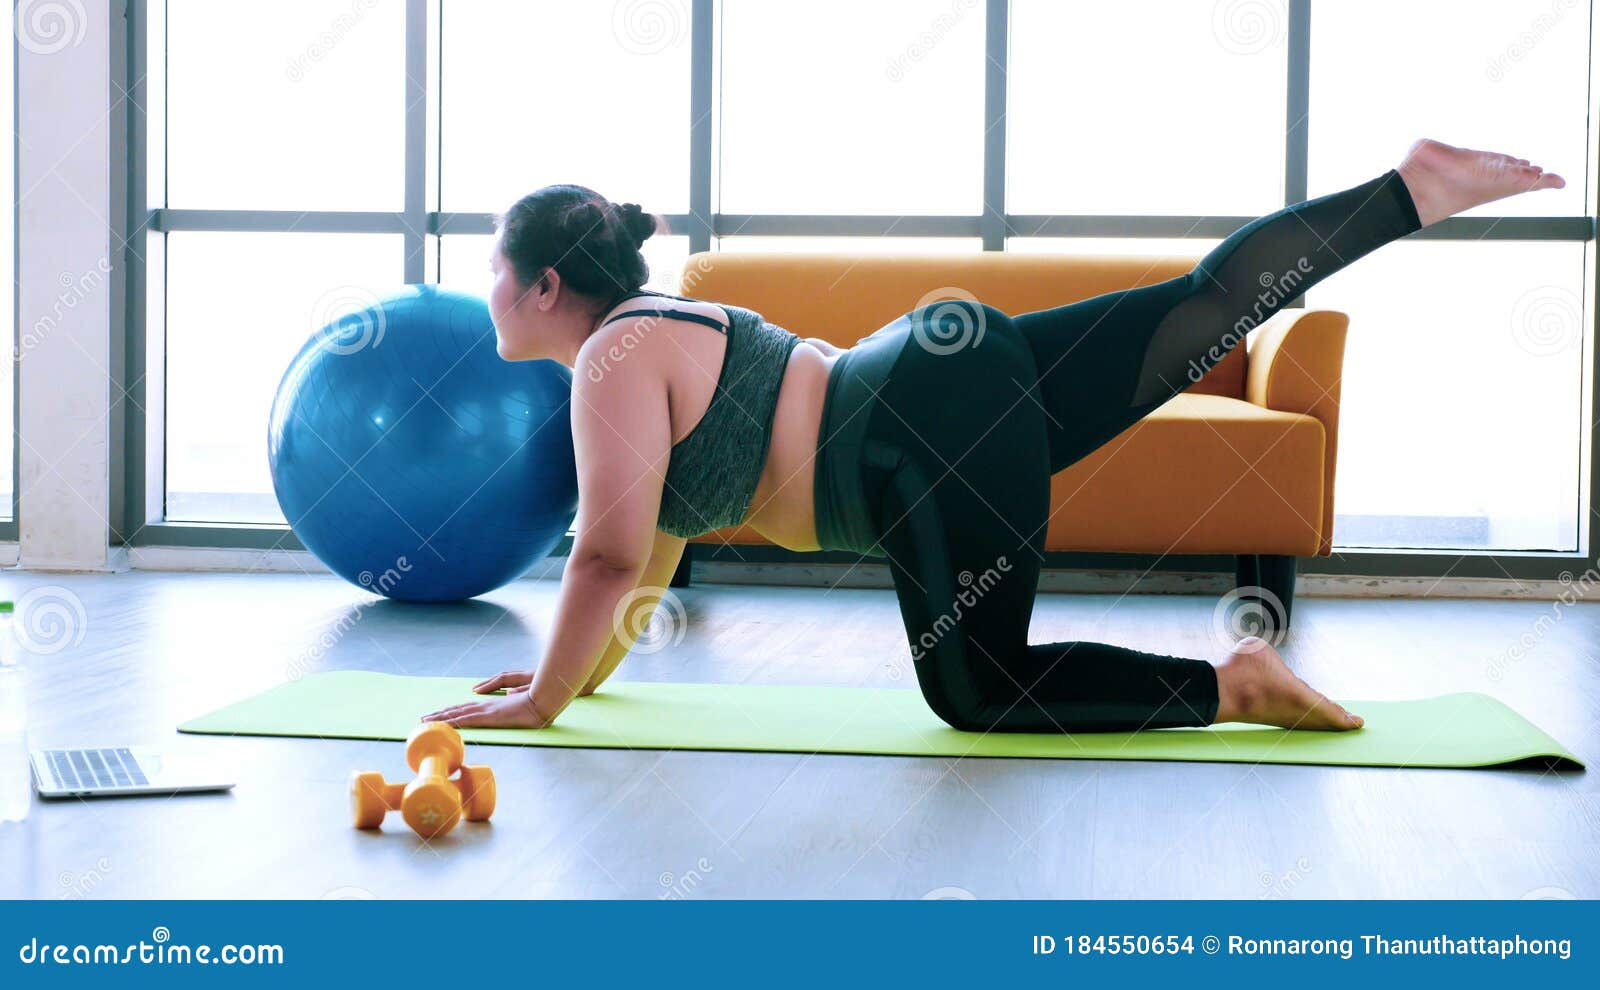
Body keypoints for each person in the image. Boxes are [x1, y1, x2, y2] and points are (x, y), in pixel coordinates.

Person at [422, 138, 1564, 735]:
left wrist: (536, 704)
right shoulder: (666, 322)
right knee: (1212, 304)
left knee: (980, 691)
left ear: (543, 285)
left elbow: (607, 553)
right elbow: (654, 545)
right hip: (950, 368)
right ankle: (1410, 192)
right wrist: (570, 681)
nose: (483, 290)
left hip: (912, 442)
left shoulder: (612, 359)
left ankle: (1239, 686)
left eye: (491, 270)